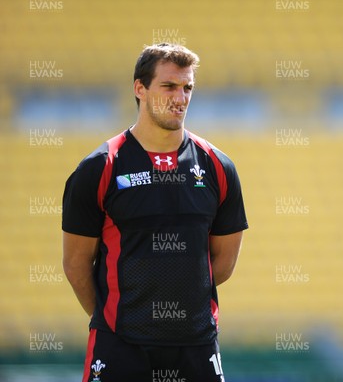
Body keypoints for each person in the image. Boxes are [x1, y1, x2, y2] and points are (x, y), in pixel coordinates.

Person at [62, 43, 248, 382]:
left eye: (187, 87)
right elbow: (76, 265)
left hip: (196, 347)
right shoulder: (99, 168)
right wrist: (116, 320)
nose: (180, 98)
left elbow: (221, 265)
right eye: (169, 86)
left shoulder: (218, 167)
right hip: (120, 348)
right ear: (140, 89)